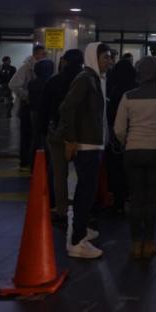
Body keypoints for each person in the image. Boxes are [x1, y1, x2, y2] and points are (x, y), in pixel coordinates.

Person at [114, 55, 156, 260]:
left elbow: (118, 129)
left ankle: (135, 243)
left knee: (135, 198)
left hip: (133, 151)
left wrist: (128, 141)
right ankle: (149, 242)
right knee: (151, 198)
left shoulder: (128, 96)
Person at [58, 42, 113, 260]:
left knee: (87, 191)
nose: (109, 61)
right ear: (93, 58)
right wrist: (71, 139)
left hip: (93, 143)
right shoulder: (85, 80)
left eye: (110, 57)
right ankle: (76, 241)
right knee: (84, 192)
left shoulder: (95, 79)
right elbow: (67, 108)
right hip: (85, 145)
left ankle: (81, 229)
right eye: (106, 57)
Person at [41, 48, 84, 228]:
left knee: (59, 174)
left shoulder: (53, 81)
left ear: (64, 61)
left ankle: (61, 210)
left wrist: (44, 131)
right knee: (84, 174)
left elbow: (44, 109)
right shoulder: (84, 81)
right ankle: (83, 210)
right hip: (82, 134)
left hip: (57, 133)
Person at [106, 51, 138, 216]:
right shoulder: (136, 90)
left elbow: (111, 115)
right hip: (135, 137)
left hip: (118, 139)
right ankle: (130, 197)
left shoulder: (115, 90)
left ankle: (118, 203)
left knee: (117, 170)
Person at [9, 45, 47, 170]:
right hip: (26, 106)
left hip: (35, 106)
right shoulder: (26, 68)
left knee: (33, 135)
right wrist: (27, 96)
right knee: (27, 135)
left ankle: (31, 161)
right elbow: (13, 84)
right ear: (36, 54)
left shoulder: (39, 68)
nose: (44, 56)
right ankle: (25, 161)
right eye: (42, 54)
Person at [27, 58, 55, 157]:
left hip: (33, 111)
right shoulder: (50, 83)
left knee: (36, 138)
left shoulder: (32, 83)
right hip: (45, 113)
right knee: (46, 139)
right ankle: (44, 163)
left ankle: (33, 163)